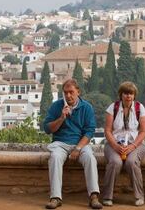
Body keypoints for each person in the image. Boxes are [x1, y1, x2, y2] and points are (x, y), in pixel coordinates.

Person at [43, 79, 102, 209]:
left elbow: (89, 131)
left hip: (80, 143)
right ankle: (55, 197)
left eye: (71, 92)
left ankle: (93, 196)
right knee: (55, 158)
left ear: (78, 92)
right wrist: (61, 118)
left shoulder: (86, 107)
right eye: (66, 92)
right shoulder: (56, 106)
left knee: (90, 158)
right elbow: (47, 129)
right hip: (60, 143)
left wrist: (78, 148)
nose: (68, 95)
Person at [102, 81, 145, 207]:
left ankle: (139, 196)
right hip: (115, 143)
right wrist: (115, 146)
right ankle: (107, 196)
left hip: (136, 144)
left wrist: (132, 146)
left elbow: (144, 131)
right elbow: (107, 130)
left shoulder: (140, 108)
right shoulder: (113, 108)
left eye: (131, 93)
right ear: (121, 94)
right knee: (115, 162)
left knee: (131, 162)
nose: (128, 96)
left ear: (134, 95)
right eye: (126, 93)